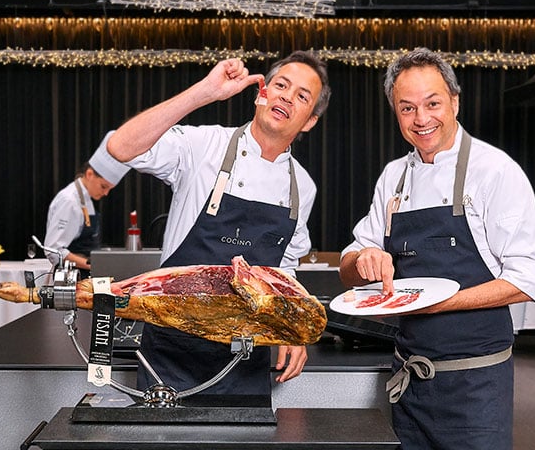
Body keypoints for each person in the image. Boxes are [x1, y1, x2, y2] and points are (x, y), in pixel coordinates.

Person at [339, 47, 535, 449]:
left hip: (476, 388)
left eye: (432, 103)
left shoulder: (495, 171)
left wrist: (437, 304)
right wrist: (362, 259)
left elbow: (526, 279)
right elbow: (349, 266)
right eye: (407, 108)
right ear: (394, 112)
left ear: (454, 100)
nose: (421, 119)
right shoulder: (393, 178)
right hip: (409, 383)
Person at [106, 50, 331, 395]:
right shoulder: (203, 146)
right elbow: (121, 147)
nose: (287, 95)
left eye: (302, 96)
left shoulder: (303, 186)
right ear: (262, 92)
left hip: (245, 361)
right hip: (170, 356)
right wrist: (205, 92)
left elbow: (283, 271)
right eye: (280, 85)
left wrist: (290, 327)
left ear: (310, 120)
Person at [44, 132, 129, 279]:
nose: (106, 193)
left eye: (110, 189)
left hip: (85, 275)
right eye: (104, 186)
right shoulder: (69, 201)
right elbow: (54, 250)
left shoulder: (85, 198)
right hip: (72, 279)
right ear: (89, 174)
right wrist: (91, 264)